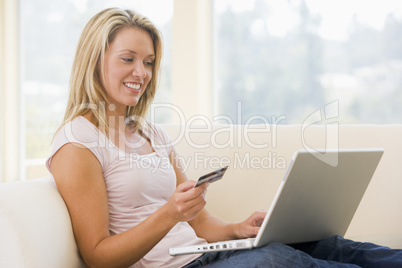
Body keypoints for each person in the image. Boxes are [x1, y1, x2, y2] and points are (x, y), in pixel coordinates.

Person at [47, 8, 402, 268]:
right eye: (128, 59)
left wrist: (238, 228)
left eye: (150, 62)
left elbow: (199, 224)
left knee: (323, 243)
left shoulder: (150, 132)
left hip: (203, 255)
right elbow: (97, 256)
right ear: (95, 61)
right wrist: (169, 214)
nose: (141, 72)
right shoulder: (78, 143)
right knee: (277, 260)